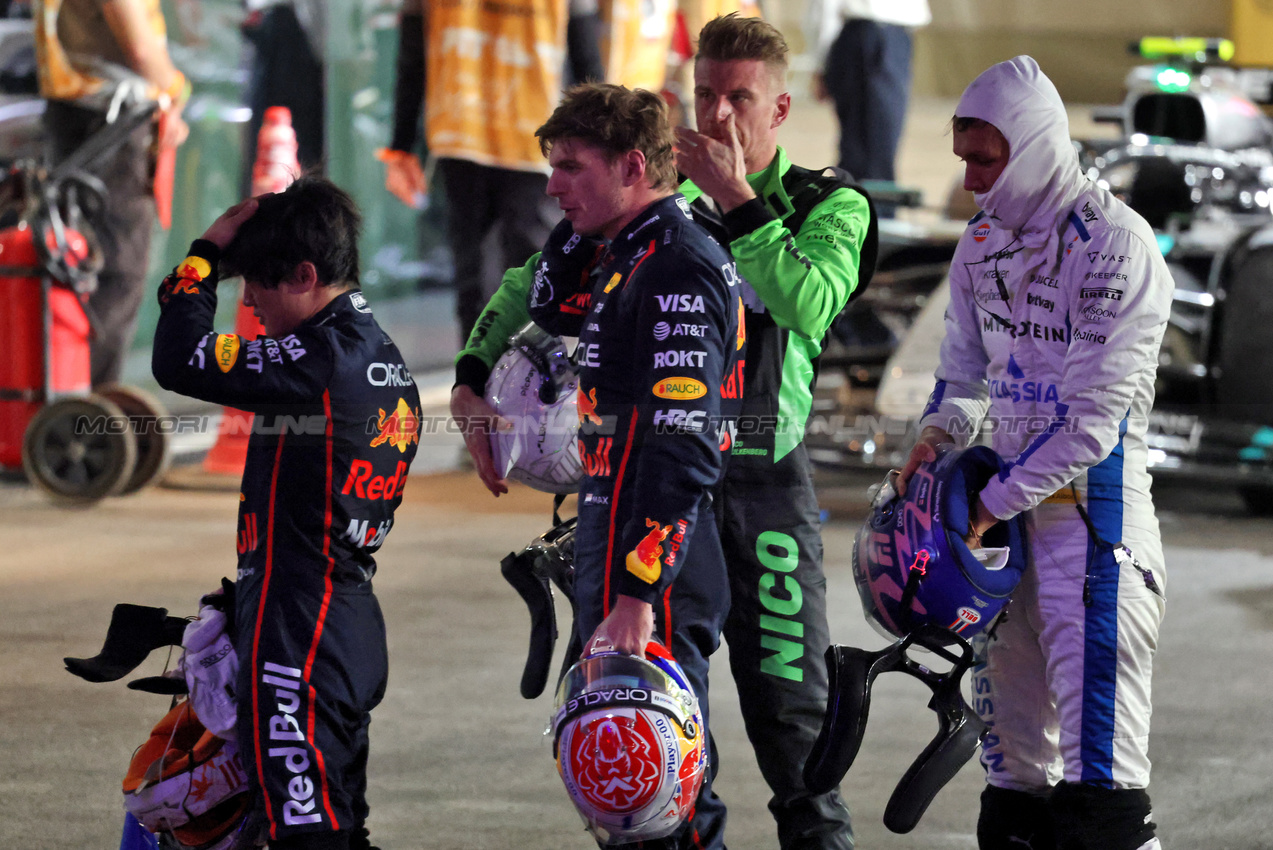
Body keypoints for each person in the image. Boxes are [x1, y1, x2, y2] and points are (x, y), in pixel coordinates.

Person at [452, 15, 873, 850]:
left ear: (779, 108)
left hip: (761, 480)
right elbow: (527, 282)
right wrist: (470, 378)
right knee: (647, 721)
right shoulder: (650, 208)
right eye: (705, 94)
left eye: (739, 99)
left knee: (796, 727)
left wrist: (739, 203)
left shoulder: (829, 203)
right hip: (653, 482)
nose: (717, 116)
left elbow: (810, 304)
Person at [895, 56, 1171, 850]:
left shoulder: (1115, 246)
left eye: (986, 160)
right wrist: (934, 441)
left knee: (1102, 806)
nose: (973, 182)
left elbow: (1090, 429)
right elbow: (960, 377)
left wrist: (980, 509)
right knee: (1011, 798)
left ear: (1036, 145)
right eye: (964, 161)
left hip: (1094, 537)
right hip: (1005, 535)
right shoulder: (979, 245)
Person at [152, 177, 422, 850]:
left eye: (257, 284)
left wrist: (204, 255)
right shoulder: (374, 351)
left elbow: (178, 357)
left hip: (300, 630)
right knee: (330, 828)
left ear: (305, 274)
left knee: (306, 838)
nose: (246, 301)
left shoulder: (319, 359)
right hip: (331, 617)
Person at [527, 82, 739, 849]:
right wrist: (578, 219)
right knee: (620, 790)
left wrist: (636, 591)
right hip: (615, 540)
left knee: (659, 787)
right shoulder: (629, 248)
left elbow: (683, 445)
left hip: (655, 567)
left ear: (629, 164)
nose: (552, 185)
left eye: (570, 167)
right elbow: (551, 308)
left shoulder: (674, 263)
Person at [380, 0, 603, 344]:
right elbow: (586, 58)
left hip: (463, 128)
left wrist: (402, 143)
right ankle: (532, 383)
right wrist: (600, 144)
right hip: (530, 130)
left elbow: (411, 54)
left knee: (474, 278)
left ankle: (474, 382)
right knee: (537, 274)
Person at [35, 0, 191, 386]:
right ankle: (90, 412)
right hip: (112, 119)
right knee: (115, 269)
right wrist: (175, 89)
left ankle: (72, 399)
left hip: (78, 110)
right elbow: (138, 44)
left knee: (83, 264)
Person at [805, 0, 930, 183]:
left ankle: (868, 205)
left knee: (867, 145)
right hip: (885, 35)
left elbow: (825, 7)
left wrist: (821, 62)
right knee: (874, 143)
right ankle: (871, 204)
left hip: (873, 36)